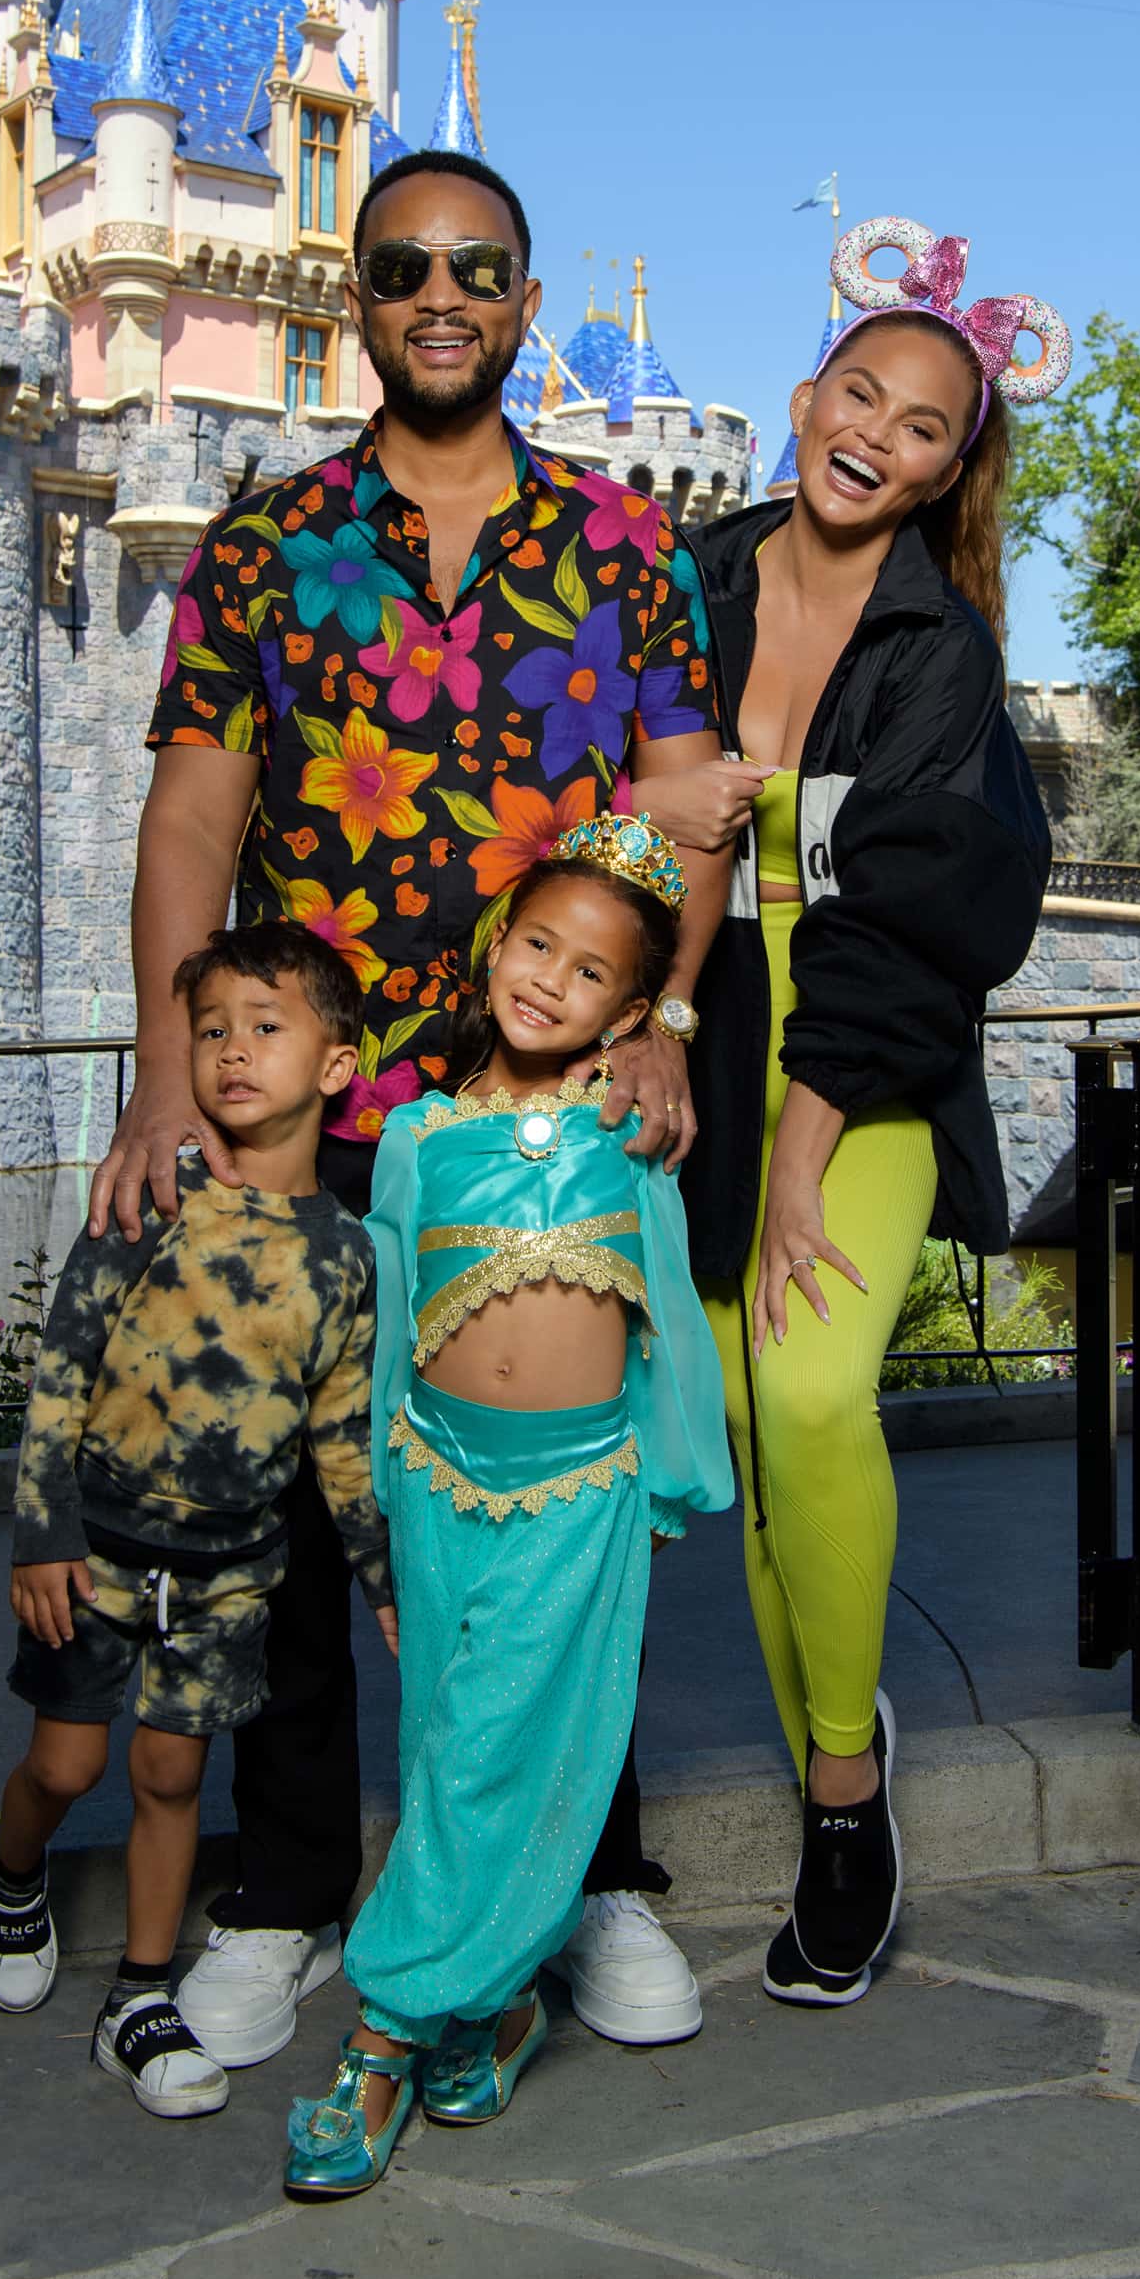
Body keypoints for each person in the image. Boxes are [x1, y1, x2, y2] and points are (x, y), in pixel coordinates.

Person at [91, 147, 729, 2071]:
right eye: (400, 267)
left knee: (565, 1505)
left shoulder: (627, 546)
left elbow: (689, 799)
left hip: (545, 1123)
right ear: (349, 298)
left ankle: (589, 1873)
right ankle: (285, 1892)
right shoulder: (266, 543)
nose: (440, 293)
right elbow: (198, 810)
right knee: (292, 1508)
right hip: (327, 1119)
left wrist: (675, 1011)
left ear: (529, 302)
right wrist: (159, 1075)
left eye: (480, 266)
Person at [636, 211, 1056, 2008]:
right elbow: (590, 824)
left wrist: (797, 1164)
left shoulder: (940, 649)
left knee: (810, 1382)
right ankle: (821, 1725)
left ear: (954, 469)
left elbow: (905, 923)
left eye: (924, 426)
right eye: (858, 395)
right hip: (690, 1024)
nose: (875, 433)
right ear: (804, 396)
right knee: (730, 1422)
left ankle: (844, 1792)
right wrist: (660, 873)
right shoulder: (681, 581)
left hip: (856, 1059)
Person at [284, 816, 732, 2196]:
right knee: (445, 1754)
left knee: (499, 1757)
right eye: (536, 943)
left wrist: (668, 1483)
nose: (550, 980)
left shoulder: (628, 1134)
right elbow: (388, 1340)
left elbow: (666, 1319)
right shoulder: (413, 1141)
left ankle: (384, 2031)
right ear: (496, 946)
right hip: (432, 1487)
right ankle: (491, 2011)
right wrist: (371, 1539)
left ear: (636, 1009)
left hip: (577, 1498)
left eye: (591, 973)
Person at [0, 924, 395, 2119]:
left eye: (266, 1027)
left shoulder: (346, 1254)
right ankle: (11, 1870)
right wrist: (41, 1532)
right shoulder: (155, 1194)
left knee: (170, 1776)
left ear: (333, 1066)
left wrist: (383, 1583)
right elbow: (62, 1365)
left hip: (227, 1575)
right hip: (96, 1552)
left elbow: (338, 1441)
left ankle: (140, 1995)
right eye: (210, 1029)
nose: (230, 1052)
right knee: (68, 1765)